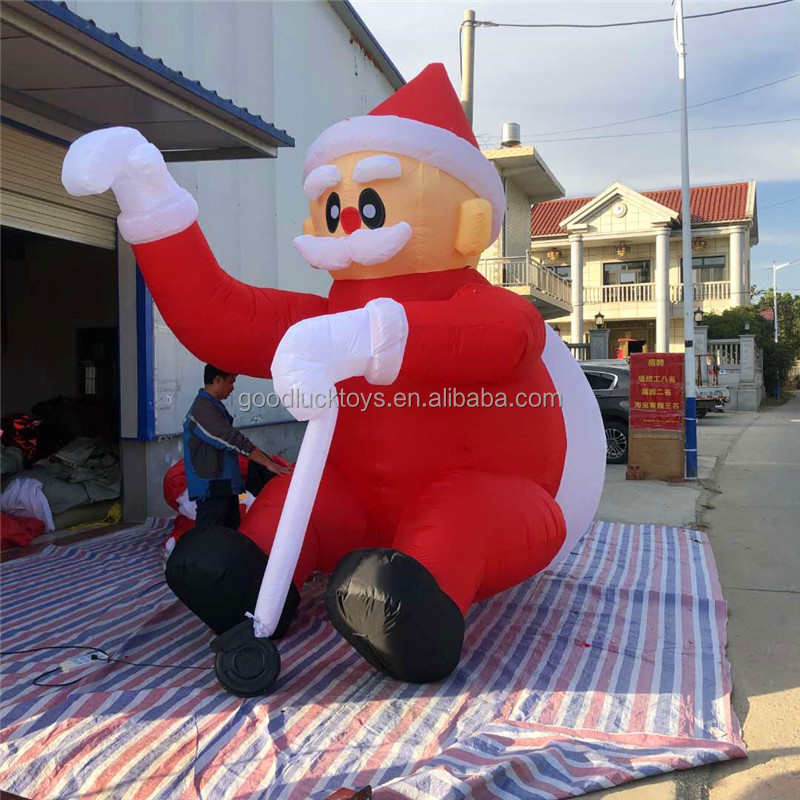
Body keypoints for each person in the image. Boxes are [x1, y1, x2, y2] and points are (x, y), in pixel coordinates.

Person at [184, 365, 290, 530]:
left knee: (230, 534)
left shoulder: (214, 407)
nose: (233, 387)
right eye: (231, 381)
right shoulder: (202, 409)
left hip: (225, 484)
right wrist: (268, 464)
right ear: (218, 380)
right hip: (212, 486)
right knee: (209, 536)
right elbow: (232, 440)